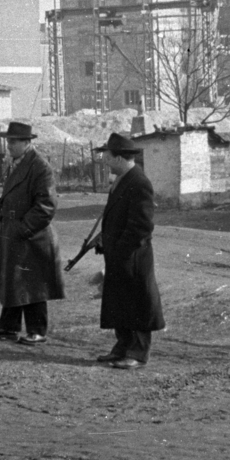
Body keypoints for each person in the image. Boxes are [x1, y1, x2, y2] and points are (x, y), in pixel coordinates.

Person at [0, 121, 65, 345]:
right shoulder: (18, 164)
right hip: (18, 235)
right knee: (14, 282)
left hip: (32, 237)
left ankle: (37, 331)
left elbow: (47, 205)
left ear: (27, 143)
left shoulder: (39, 166)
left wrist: (21, 228)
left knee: (33, 285)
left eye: (13, 141)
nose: (8, 145)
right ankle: (8, 328)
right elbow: (13, 194)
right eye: (8, 140)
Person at [93, 133, 164, 369]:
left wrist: (120, 249)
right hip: (119, 254)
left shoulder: (139, 182)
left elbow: (142, 226)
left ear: (120, 158)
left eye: (108, 156)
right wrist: (105, 241)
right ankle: (123, 347)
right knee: (120, 303)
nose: (104, 160)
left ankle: (137, 353)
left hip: (133, 256)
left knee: (138, 304)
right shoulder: (122, 179)